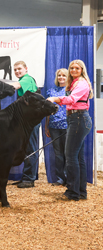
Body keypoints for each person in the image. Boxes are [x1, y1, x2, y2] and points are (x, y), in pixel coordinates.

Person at [47, 59, 93, 201]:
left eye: (76, 68)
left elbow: (72, 99)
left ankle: (73, 192)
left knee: (71, 156)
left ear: (82, 70)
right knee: (77, 157)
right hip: (76, 119)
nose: (73, 70)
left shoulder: (82, 83)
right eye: (71, 68)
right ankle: (80, 191)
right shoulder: (74, 83)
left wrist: (55, 99)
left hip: (78, 119)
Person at [9, 61, 39, 188]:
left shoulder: (26, 79)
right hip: (27, 120)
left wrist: (0, 88)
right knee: (26, 148)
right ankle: (26, 177)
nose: (17, 71)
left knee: (30, 148)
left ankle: (29, 179)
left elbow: (15, 86)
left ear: (26, 69)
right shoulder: (24, 80)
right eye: (15, 70)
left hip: (31, 121)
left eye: (19, 69)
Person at [45, 68, 68, 186]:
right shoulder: (50, 91)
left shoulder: (70, 91)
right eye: (59, 75)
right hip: (54, 126)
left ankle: (69, 178)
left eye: (64, 75)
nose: (61, 78)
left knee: (68, 153)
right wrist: (46, 126)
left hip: (67, 126)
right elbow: (48, 111)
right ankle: (60, 178)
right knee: (58, 153)